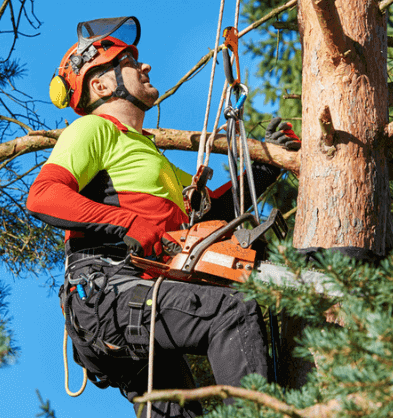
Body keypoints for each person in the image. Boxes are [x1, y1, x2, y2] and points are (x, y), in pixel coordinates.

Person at [26, 16, 300, 418]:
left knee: (179, 412)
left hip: (133, 300)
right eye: (130, 62)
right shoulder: (92, 130)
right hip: (107, 291)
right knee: (233, 309)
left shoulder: (151, 158)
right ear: (100, 85)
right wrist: (127, 223)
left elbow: (208, 217)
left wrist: (261, 171)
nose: (145, 66)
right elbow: (44, 195)